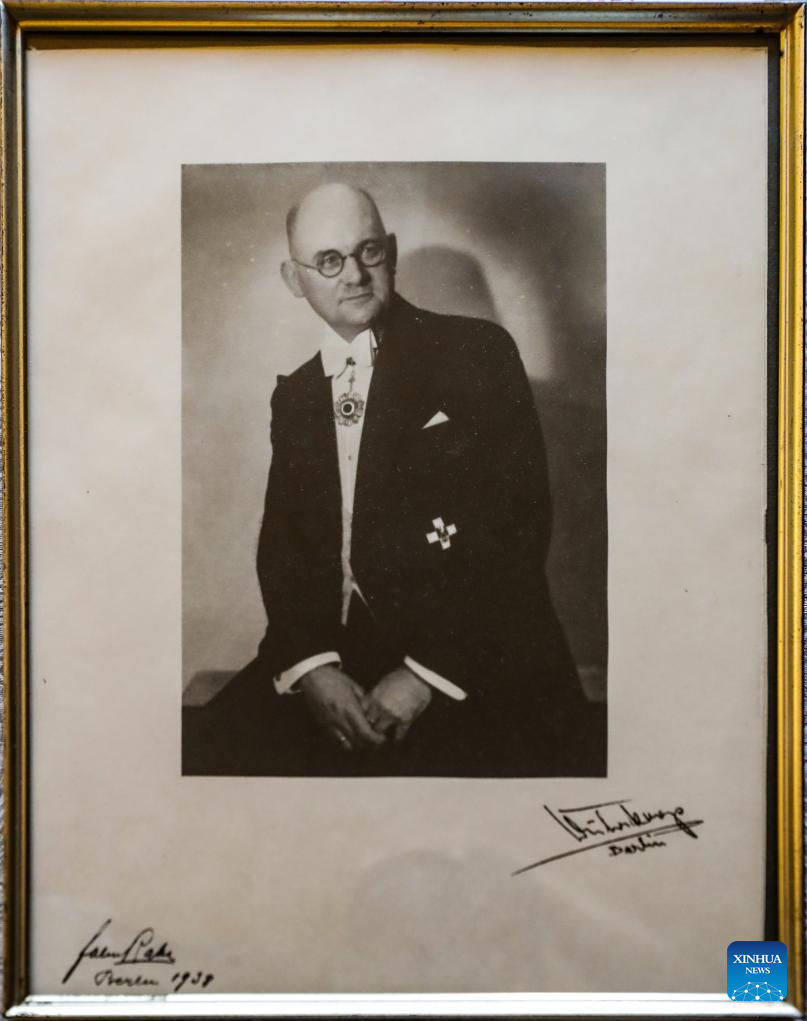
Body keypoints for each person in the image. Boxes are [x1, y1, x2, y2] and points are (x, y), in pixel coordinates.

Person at [186, 181, 598, 777]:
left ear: (393, 253)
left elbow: (518, 528)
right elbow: (286, 546)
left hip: (476, 653)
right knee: (206, 760)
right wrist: (313, 667)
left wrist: (425, 676)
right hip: (344, 661)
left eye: (369, 251)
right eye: (329, 260)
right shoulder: (297, 396)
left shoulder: (479, 353)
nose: (354, 274)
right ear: (294, 278)